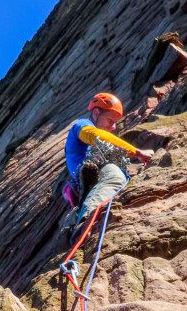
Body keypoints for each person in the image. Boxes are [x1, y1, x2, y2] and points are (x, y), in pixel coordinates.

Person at [64, 93, 152, 230]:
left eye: (116, 123)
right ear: (96, 113)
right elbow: (95, 136)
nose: (114, 127)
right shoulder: (81, 125)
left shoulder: (102, 143)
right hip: (91, 166)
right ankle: (87, 218)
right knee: (116, 177)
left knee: (119, 175)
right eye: (111, 121)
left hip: (95, 171)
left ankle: (87, 196)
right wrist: (137, 152)